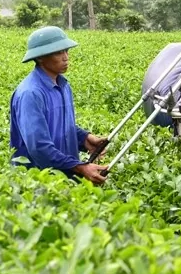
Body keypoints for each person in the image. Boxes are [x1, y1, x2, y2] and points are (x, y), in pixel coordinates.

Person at [9, 26, 109, 184]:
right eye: (58, 52)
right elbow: (39, 146)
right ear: (41, 57)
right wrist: (80, 167)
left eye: (66, 51)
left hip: (64, 178)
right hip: (38, 182)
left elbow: (62, 125)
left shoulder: (63, 86)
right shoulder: (31, 93)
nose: (65, 57)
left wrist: (85, 138)